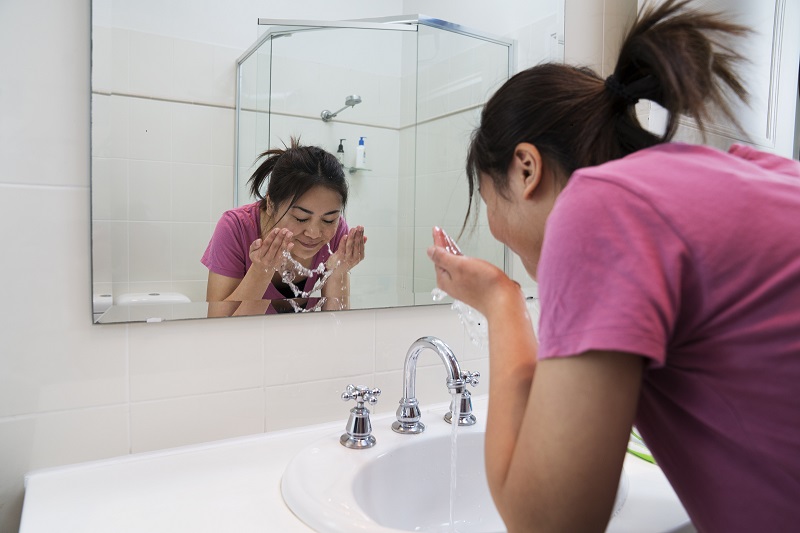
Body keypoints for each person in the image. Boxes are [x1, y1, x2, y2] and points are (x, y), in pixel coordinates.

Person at [427, 1, 800, 532]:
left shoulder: (599, 208)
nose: (494, 228)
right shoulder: (751, 170)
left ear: (526, 168)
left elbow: (549, 524)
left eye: (488, 201)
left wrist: (500, 299)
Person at [202, 138, 365, 316]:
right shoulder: (235, 227)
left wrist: (338, 271)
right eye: (301, 218)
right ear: (271, 204)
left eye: (329, 220)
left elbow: (338, 327)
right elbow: (218, 329)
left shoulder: (337, 234)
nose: (314, 233)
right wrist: (261, 271)